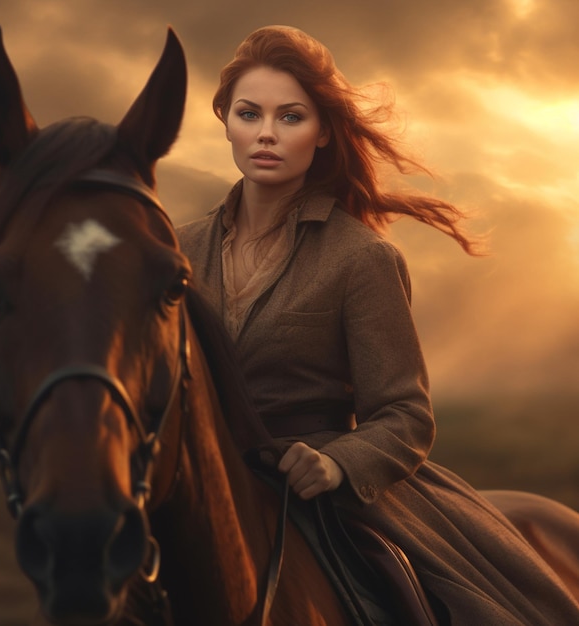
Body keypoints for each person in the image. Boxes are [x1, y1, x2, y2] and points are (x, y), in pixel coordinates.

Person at [176, 25, 579, 625]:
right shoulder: (177, 251)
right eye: (248, 113)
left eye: (290, 117)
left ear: (323, 134)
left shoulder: (362, 258)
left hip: (327, 493)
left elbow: (406, 416)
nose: (265, 132)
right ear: (225, 121)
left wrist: (337, 463)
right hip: (199, 481)